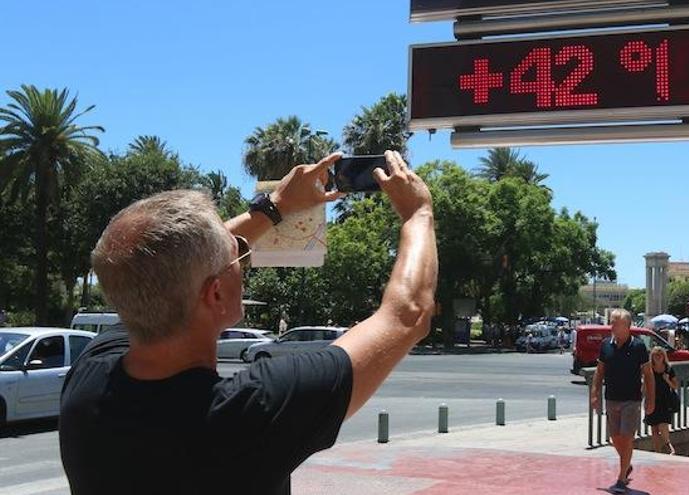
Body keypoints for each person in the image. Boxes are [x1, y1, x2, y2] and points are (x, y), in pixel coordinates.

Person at [58, 151, 438, 495]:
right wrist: (418, 214)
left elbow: (165, 266)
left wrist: (277, 207)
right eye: (235, 259)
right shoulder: (250, 411)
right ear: (216, 294)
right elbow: (408, 314)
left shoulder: (88, 382)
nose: (241, 257)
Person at [590, 309, 655, 494]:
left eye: (614, 323)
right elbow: (599, 371)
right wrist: (594, 393)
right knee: (615, 438)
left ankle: (621, 478)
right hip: (611, 398)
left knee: (627, 438)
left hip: (631, 400)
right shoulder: (606, 345)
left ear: (626, 326)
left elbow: (648, 375)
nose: (611, 326)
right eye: (611, 322)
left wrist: (650, 400)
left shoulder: (638, 347)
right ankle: (627, 464)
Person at [644, 346, 678, 455]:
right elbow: (644, 385)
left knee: (663, 424)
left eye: (660, 355)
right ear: (652, 357)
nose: (658, 357)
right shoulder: (649, 368)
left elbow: (675, 386)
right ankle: (657, 451)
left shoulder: (668, 368)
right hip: (652, 398)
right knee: (654, 428)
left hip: (665, 400)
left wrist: (667, 380)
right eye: (655, 355)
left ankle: (669, 446)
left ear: (664, 356)